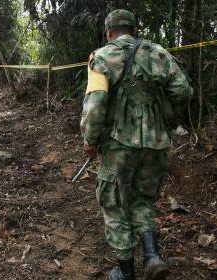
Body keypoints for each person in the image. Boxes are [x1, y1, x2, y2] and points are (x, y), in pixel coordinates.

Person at [80, 9, 193, 280]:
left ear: (109, 32)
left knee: (115, 204)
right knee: (143, 199)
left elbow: (95, 106)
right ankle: (153, 257)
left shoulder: (102, 58)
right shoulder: (158, 54)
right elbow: (183, 91)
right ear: (134, 30)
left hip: (119, 144)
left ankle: (126, 272)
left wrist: (90, 140)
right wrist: (161, 118)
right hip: (155, 143)